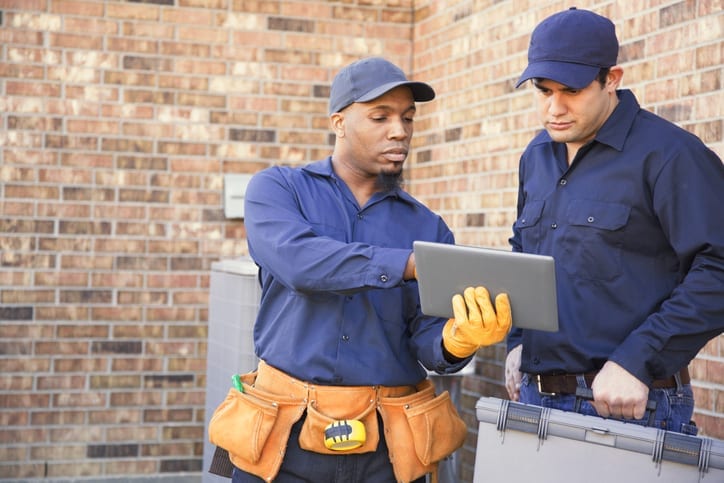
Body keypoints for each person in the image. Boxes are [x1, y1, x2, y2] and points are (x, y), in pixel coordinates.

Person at [208, 57, 512, 483]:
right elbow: (300, 263)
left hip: (387, 450)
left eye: (407, 118)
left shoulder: (428, 228)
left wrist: (460, 339)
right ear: (339, 122)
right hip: (283, 439)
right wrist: (406, 264)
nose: (399, 131)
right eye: (380, 116)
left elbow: (427, 341)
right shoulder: (277, 190)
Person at [505, 7, 724, 434]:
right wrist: (516, 342)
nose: (555, 107)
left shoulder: (671, 156)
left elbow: (719, 268)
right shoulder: (536, 156)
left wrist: (638, 360)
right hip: (535, 401)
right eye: (542, 90)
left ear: (612, 79)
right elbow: (524, 255)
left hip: (631, 408)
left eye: (570, 90)